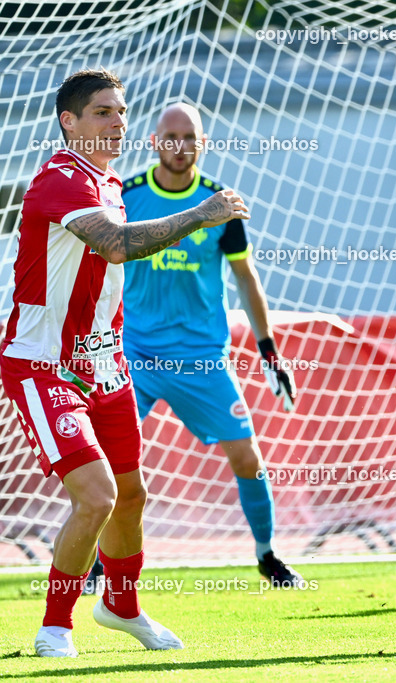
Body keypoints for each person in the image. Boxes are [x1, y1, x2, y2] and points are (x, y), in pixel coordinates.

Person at [0, 69, 248, 657]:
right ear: (69, 121)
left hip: (105, 365)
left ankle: (122, 606)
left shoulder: (109, 184)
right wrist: (198, 215)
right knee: (97, 496)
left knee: (132, 495)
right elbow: (116, 245)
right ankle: (54, 627)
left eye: (122, 111)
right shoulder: (60, 179)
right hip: (44, 365)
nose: (119, 122)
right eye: (103, 111)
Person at [115, 103, 303, 586]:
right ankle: (100, 563)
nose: (180, 146)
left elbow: (246, 276)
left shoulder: (221, 203)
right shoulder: (125, 196)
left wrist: (269, 350)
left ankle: (267, 555)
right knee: (111, 464)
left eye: (189, 137)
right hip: (135, 355)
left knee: (248, 458)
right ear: (155, 142)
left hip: (201, 359)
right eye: (170, 137)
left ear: (203, 143)